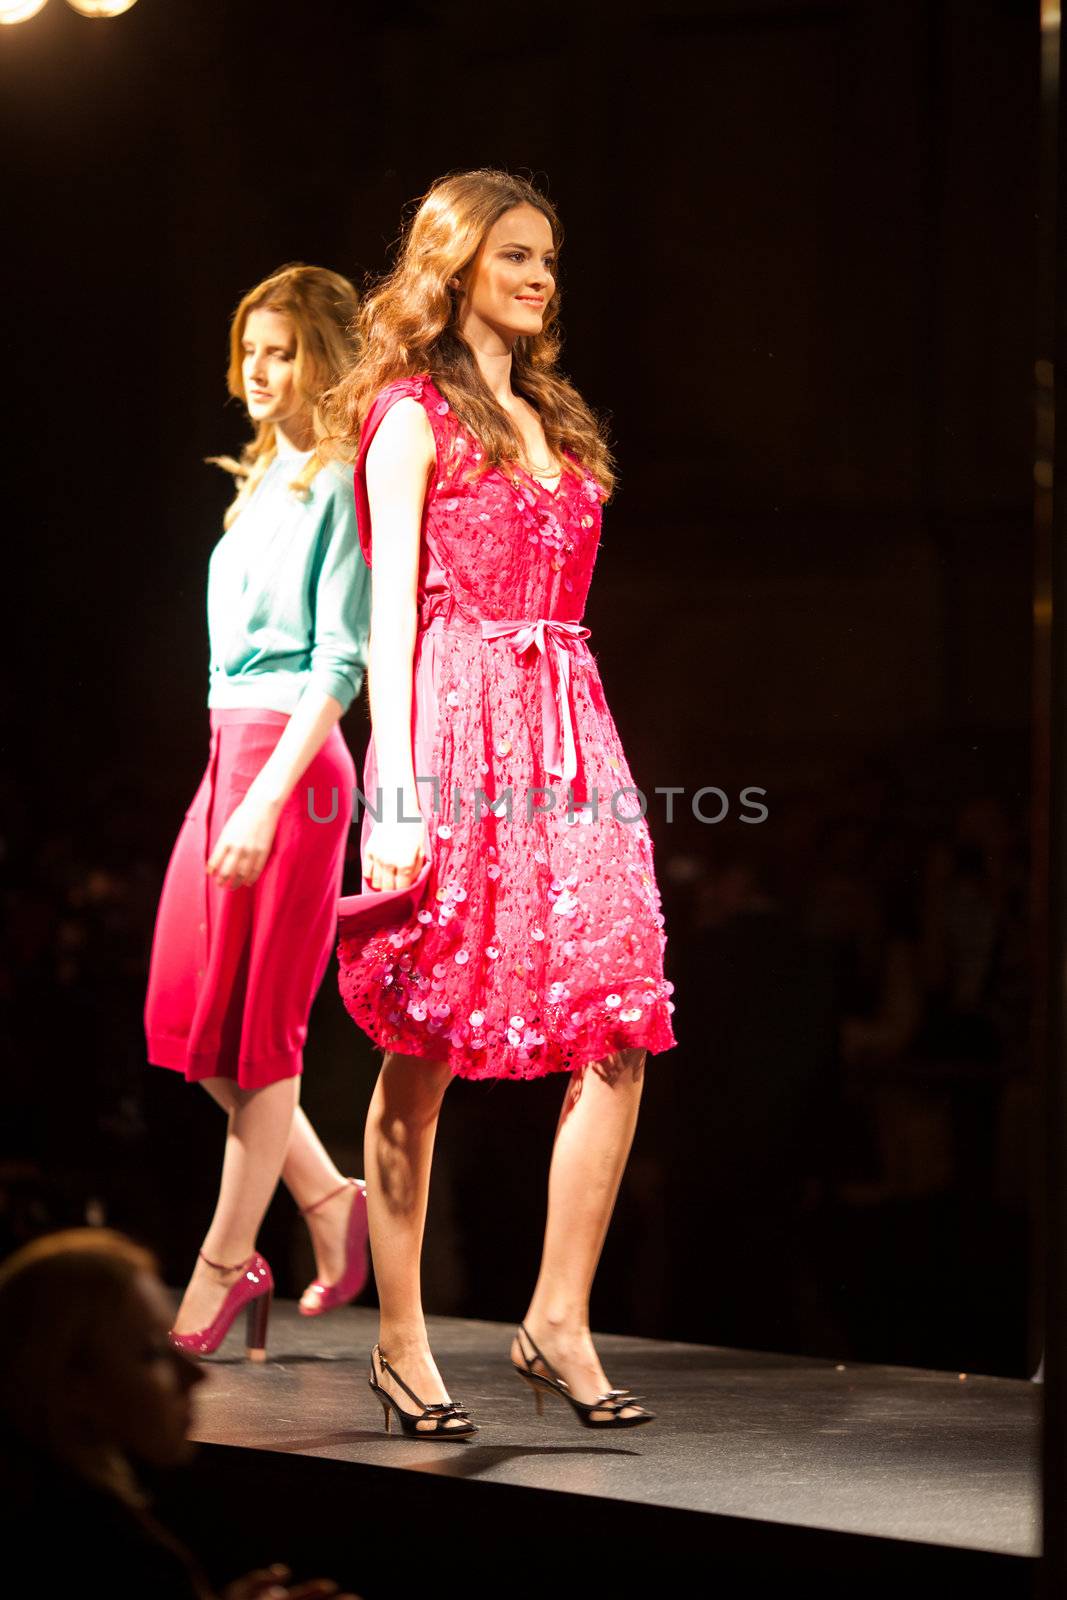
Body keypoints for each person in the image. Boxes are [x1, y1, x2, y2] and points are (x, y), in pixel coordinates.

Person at [325, 171, 676, 1436]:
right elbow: (388, 616)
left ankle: (556, 1317)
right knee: (422, 1041)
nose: (538, 277)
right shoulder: (411, 416)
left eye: (547, 259)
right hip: (458, 721)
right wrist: (398, 790)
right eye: (516, 255)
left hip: (568, 723)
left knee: (622, 1013)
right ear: (456, 261)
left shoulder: (554, 417)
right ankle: (404, 1338)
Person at [144, 266, 371, 1355]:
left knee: (261, 1036)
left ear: (320, 355)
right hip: (228, 751)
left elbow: (341, 660)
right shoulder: (257, 483)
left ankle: (222, 1273)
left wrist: (266, 796)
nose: (258, 370)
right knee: (195, 1030)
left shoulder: (337, 480)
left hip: (295, 765)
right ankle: (329, 1199)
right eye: (249, 350)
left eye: (280, 349)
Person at [0, 1229, 354, 1598]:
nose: (196, 1374)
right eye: (152, 1352)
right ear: (70, 1383)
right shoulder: (106, 1551)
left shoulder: (52, 1510)